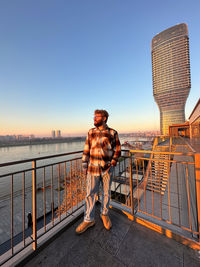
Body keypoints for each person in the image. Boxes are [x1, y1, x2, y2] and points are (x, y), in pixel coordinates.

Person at [76, 109, 121, 234]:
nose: (94, 118)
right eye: (94, 116)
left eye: (97, 116)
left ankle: (104, 214)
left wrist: (112, 163)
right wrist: (85, 166)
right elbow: (86, 150)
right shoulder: (91, 132)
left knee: (106, 193)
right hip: (92, 168)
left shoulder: (112, 132)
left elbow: (118, 150)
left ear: (104, 118)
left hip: (107, 169)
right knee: (90, 194)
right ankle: (88, 219)